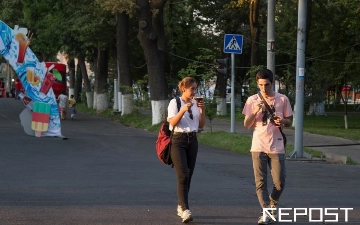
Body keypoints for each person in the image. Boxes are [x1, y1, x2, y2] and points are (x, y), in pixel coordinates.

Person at [242, 69, 293, 225]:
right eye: (261, 85)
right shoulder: (252, 100)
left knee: (280, 182)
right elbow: (246, 124)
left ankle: (272, 202)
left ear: (273, 82)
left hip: (276, 145)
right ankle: (265, 212)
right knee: (261, 182)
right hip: (258, 145)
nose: (264, 88)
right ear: (257, 84)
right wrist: (255, 110)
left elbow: (289, 121)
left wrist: (282, 122)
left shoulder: (282, 99)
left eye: (267, 84)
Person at [167, 77, 205, 223]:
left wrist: (202, 108)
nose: (194, 92)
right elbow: (172, 123)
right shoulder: (175, 103)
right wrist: (183, 109)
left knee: (188, 174)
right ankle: (185, 209)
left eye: (196, 88)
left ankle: (181, 206)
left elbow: (201, 125)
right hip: (178, 141)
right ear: (183, 89)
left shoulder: (196, 103)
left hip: (192, 140)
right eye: (192, 89)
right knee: (182, 175)